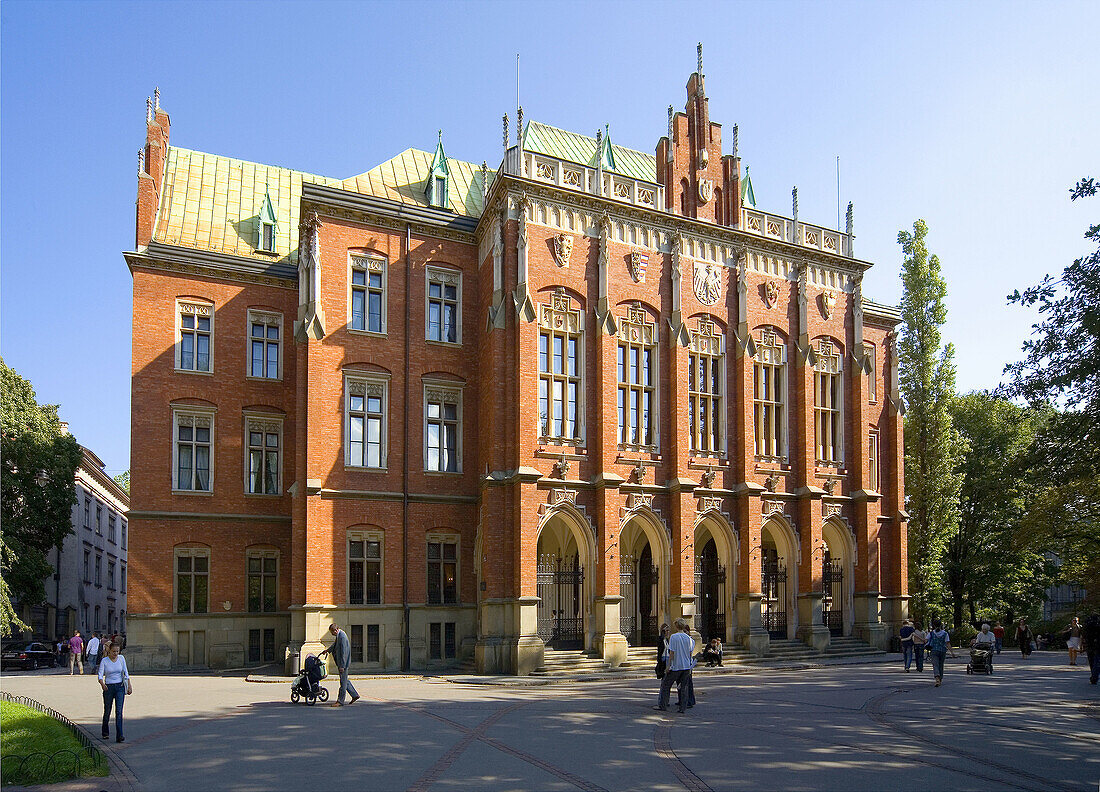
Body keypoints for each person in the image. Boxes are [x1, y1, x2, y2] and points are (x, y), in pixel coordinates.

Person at [656, 618, 695, 713]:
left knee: (666, 685)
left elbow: (672, 653)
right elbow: (690, 654)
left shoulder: (674, 637)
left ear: (676, 626)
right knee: (683, 687)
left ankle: (663, 705)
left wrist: (668, 666)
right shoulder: (689, 639)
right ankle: (683, 707)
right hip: (686, 666)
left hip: (676, 666)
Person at [97, 641, 132, 743]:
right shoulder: (105, 661)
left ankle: (120, 735)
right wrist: (102, 684)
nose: (115, 653)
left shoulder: (121, 659)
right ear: (109, 651)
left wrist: (129, 685)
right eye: (113, 651)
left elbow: (126, 672)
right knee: (107, 710)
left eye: (117, 651)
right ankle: (105, 732)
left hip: (120, 686)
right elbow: (100, 675)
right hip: (109, 687)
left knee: (119, 711)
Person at [319, 623, 358, 707]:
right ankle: (354, 695)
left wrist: (342, 666)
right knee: (345, 680)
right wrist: (327, 651)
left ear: (335, 630)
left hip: (343, 663)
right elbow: (335, 645)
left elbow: (344, 653)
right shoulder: (339, 635)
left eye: (332, 632)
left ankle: (340, 701)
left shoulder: (342, 636)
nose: (332, 634)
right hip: (341, 663)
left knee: (343, 683)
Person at [927, 619, 950, 687]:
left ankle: (937, 678)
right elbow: (948, 643)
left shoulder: (931, 633)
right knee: (941, 665)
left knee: (935, 664)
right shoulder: (945, 633)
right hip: (942, 650)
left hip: (934, 650)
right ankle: (940, 678)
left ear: (933, 625)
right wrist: (952, 652)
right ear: (941, 625)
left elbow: (926, 640)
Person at [1081, 614, 1100, 685]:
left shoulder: (1088, 626)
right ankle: (1095, 675)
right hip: (1098, 644)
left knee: (1091, 660)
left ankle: (1093, 675)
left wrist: (1084, 645)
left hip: (1090, 644)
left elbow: (1084, 635)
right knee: (1097, 660)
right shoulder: (1098, 624)